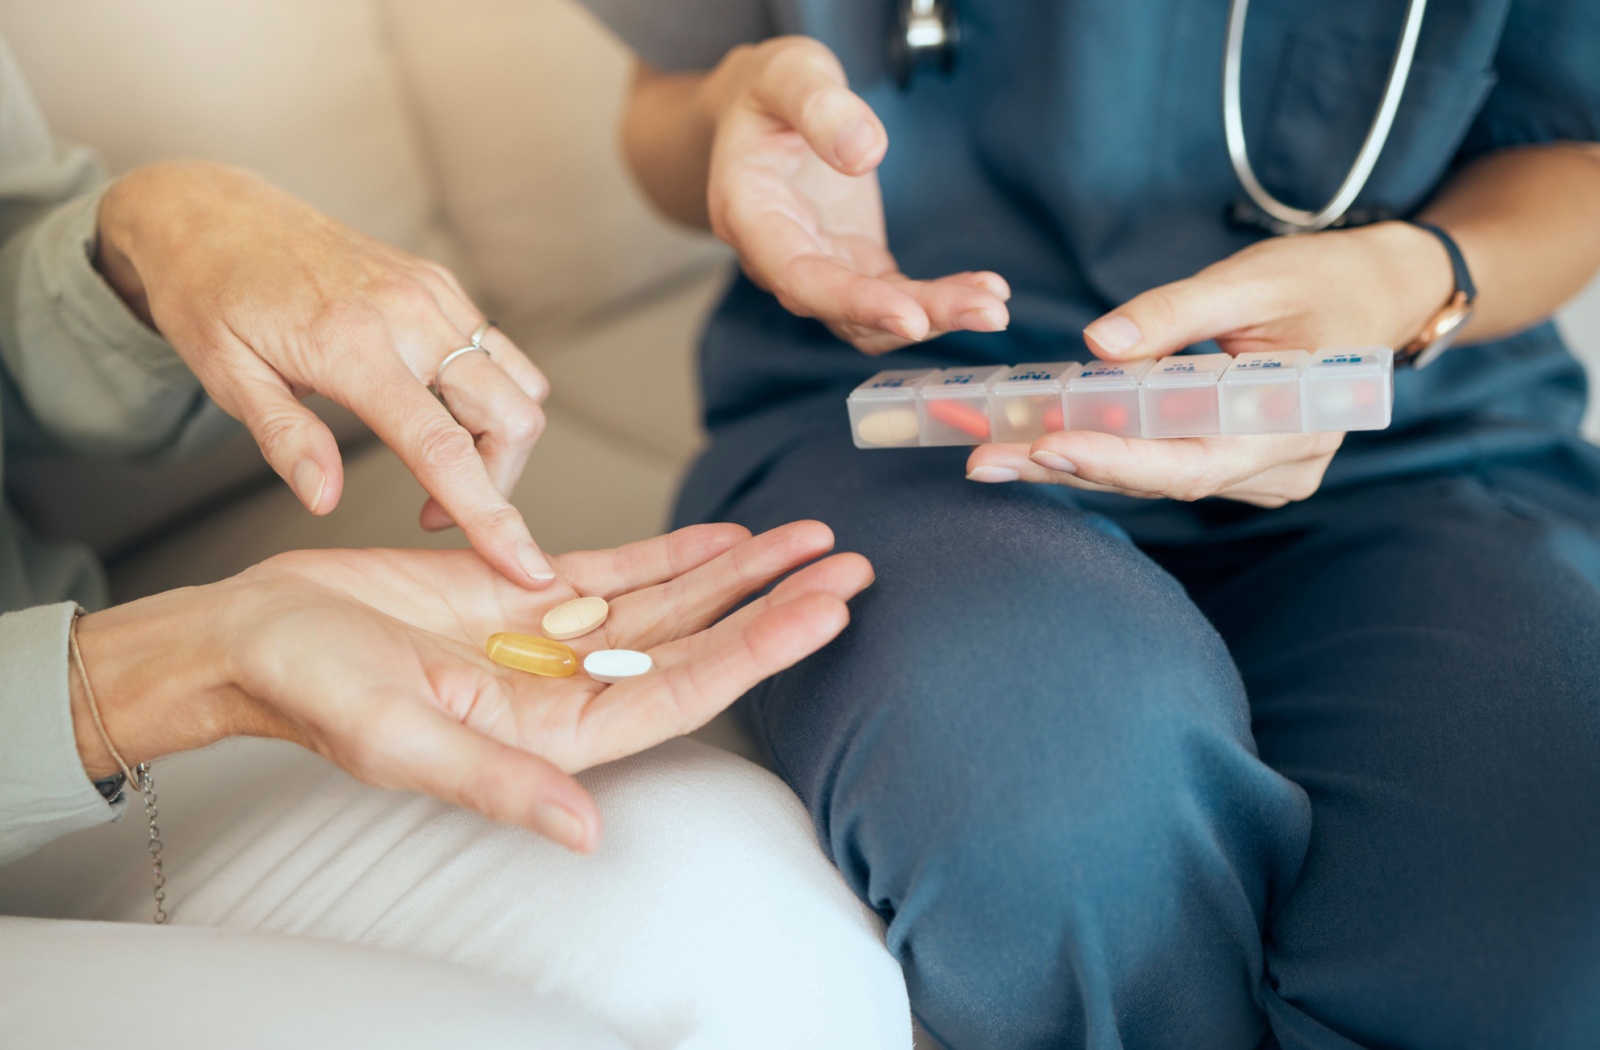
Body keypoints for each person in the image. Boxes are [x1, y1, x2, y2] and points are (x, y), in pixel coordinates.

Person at [575, 1, 1600, 1046]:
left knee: (1553, 917)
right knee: (1046, 809)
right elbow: (664, 107)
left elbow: (1575, 152)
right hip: (908, 421)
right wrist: (727, 115)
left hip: (1407, 433)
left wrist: (1410, 277)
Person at [0, 30, 910, 1048]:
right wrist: (148, 676)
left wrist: (153, 231)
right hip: (71, 702)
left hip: (66, 688)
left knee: (754, 922)